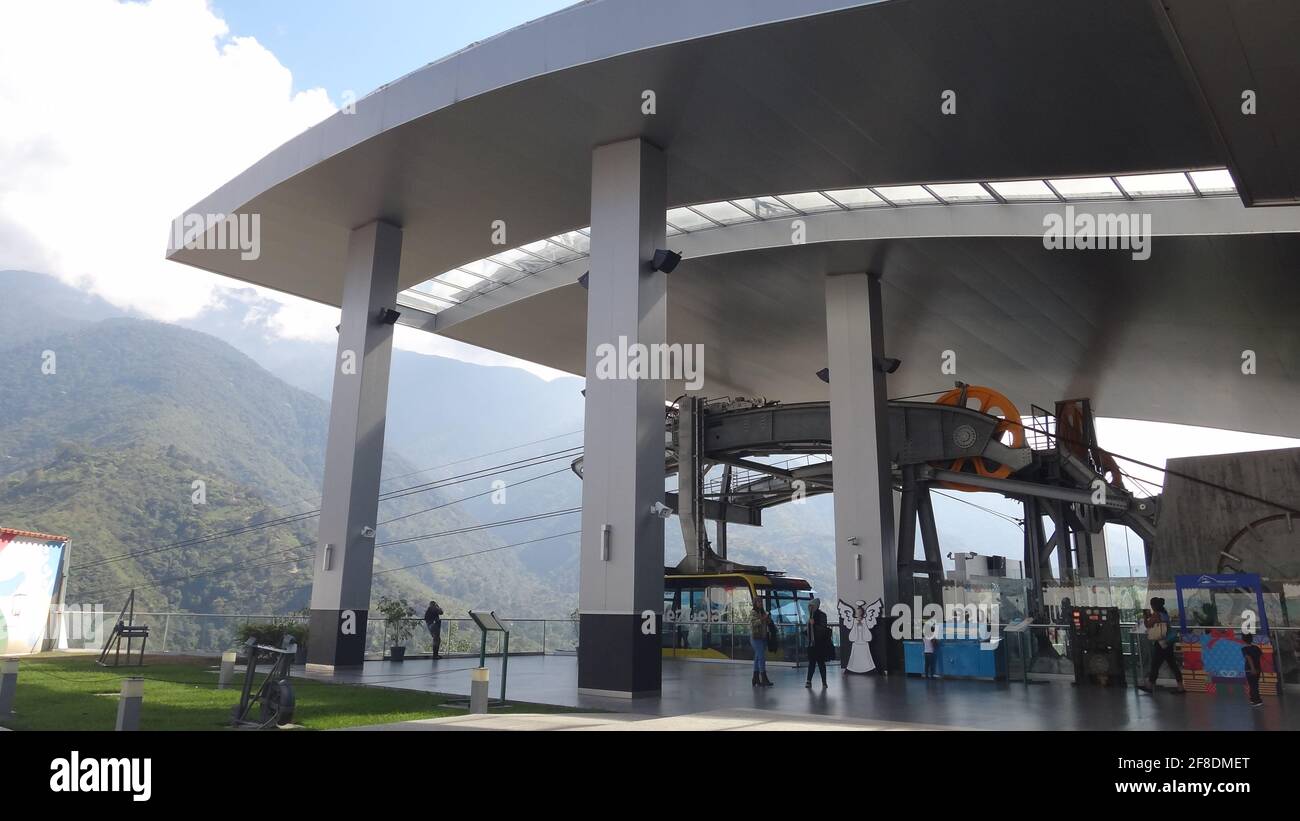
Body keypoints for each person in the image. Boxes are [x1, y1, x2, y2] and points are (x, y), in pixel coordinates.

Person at [1140, 597, 1186, 694]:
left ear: (1153, 606)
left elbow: (1148, 625)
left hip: (1161, 643)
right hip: (1168, 641)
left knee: (1155, 664)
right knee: (1172, 664)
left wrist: (1145, 617)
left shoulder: (1156, 614)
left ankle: (1149, 686)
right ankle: (1180, 687)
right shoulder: (1164, 614)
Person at [805, 598, 832, 688]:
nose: (810, 608)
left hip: (820, 644)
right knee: (812, 663)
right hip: (811, 644)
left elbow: (823, 629)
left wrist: (814, 624)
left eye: (812, 606)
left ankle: (824, 682)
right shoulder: (809, 617)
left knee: (821, 663)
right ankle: (808, 681)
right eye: (809, 606)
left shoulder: (822, 616)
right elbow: (808, 630)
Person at [749, 604, 774, 687]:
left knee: (757, 657)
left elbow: (768, 622)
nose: (760, 604)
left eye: (760, 602)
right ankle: (763, 677)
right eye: (758, 602)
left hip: (763, 637)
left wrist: (768, 619)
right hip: (756, 637)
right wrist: (763, 619)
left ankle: (755, 678)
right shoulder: (753, 612)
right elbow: (753, 623)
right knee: (761, 657)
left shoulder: (763, 612)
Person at [1241, 632, 1263, 707]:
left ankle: (1257, 700)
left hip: (1250, 669)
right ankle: (1253, 699)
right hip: (1258, 668)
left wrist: (1252, 668)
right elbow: (1259, 657)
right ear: (1251, 639)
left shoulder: (1244, 649)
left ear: (1243, 640)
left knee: (1252, 685)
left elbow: (1249, 658)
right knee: (1254, 684)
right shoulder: (1256, 648)